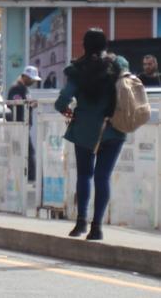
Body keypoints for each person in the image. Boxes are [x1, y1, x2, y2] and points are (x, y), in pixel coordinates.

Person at [56, 29, 125, 241]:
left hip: (85, 130)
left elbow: (62, 102)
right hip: (113, 127)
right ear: (105, 44)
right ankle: (97, 228)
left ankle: (80, 223)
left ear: (84, 45)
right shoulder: (118, 64)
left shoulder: (76, 70)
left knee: (85, 175)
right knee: (103, 176)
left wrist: (70, 113)